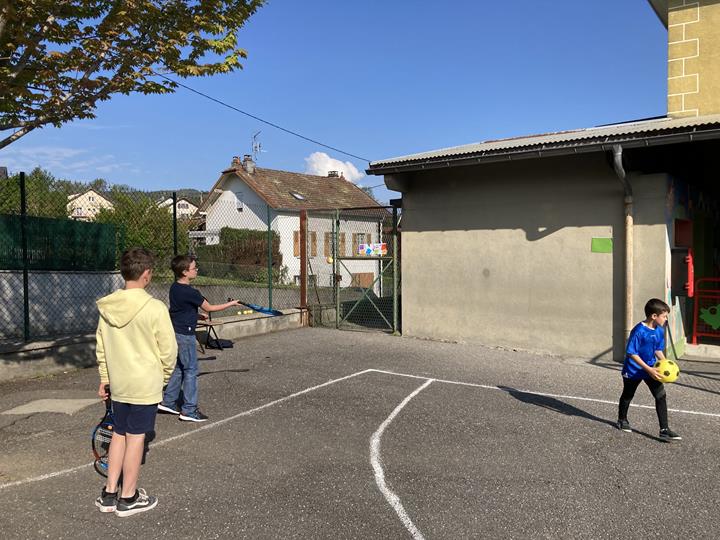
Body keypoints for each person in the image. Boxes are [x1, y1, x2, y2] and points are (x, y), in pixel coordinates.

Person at [95, 248, 178, 516]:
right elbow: (168, 351)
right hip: (144, 384)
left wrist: (106, 378)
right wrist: (163, 378)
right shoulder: (155, 307)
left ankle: (109, 494)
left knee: (119, 434)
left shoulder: (107, 307)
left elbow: (101, 348)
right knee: (136, 437)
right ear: (146, 274)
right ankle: (128, 497)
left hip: (119, 383)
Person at [158, 255, 241, 422]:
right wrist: (231, 304)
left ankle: (168, 401)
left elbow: (180, 310)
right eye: (194, 268)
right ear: (184, 272)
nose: (197, 270)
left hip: (175, 332)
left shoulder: (174, 288)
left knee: (179, 367)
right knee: (190, 370)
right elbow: (210, 307)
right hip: (186, 335)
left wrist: (195, 316)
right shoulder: (191, 292)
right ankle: (189, 410)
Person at [617, 298, 682, 441]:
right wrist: (649, 370)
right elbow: (631, 353)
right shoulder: (639, 330)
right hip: (634, 370)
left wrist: (665, 363)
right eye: (664, 316)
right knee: (628, 395)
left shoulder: (659, 330)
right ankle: (622, 420)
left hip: (652, 369)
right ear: (654, 316)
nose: (666, 319)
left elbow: (658, 349)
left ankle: (664, 429)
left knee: (660, 396)